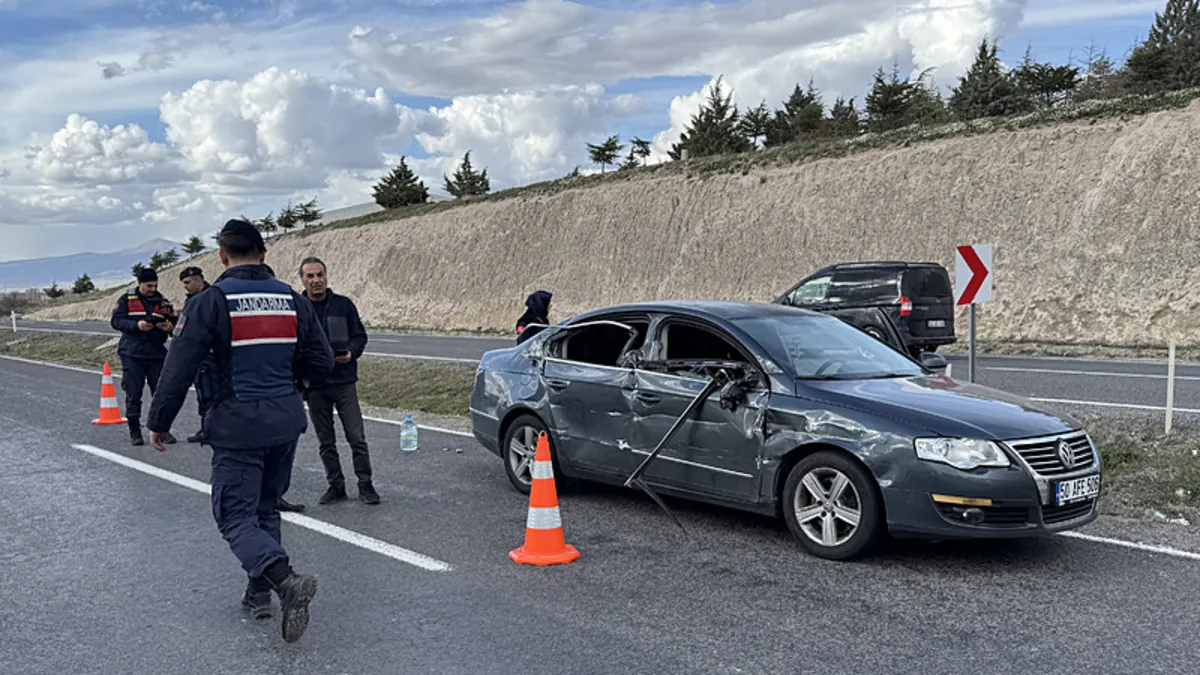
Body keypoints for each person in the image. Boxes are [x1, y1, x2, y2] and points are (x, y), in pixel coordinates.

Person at [145, 219, 335, 643]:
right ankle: (259, 594)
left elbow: (178, 368)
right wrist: (291, 388)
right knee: (265, 508)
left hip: (237, 425)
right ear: (264, 255)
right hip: (285, 421)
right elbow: (322, 363)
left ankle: (285, 581)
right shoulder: (292, 299)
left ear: (223, 257)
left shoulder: (210, 302)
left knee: (233, 515)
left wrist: (159, 422)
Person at [297, 256, 379, 506]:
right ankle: (336, 485)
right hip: (315, 386)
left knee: (356, 437)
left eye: (320, 275)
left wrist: (352, 353)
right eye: (310, 276)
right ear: (302, 279)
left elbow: (359, 336)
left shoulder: (343, 305)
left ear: (326, 276)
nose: (316, 280)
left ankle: (366, 485)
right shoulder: (298, 308)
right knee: (326, 441)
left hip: (344, 383)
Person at [110, 266, 177, 446]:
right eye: (149, 286)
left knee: (161, 393)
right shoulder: (126, 300)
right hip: (132, 353)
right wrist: (137, 325)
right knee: (133, 393)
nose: (153, 289)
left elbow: (176, 324)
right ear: (139, 284)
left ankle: (162, 429)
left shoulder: (162, 301)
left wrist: (169, 327)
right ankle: (135, 431)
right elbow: (116, 321)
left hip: (156, 353)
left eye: (155, 285)